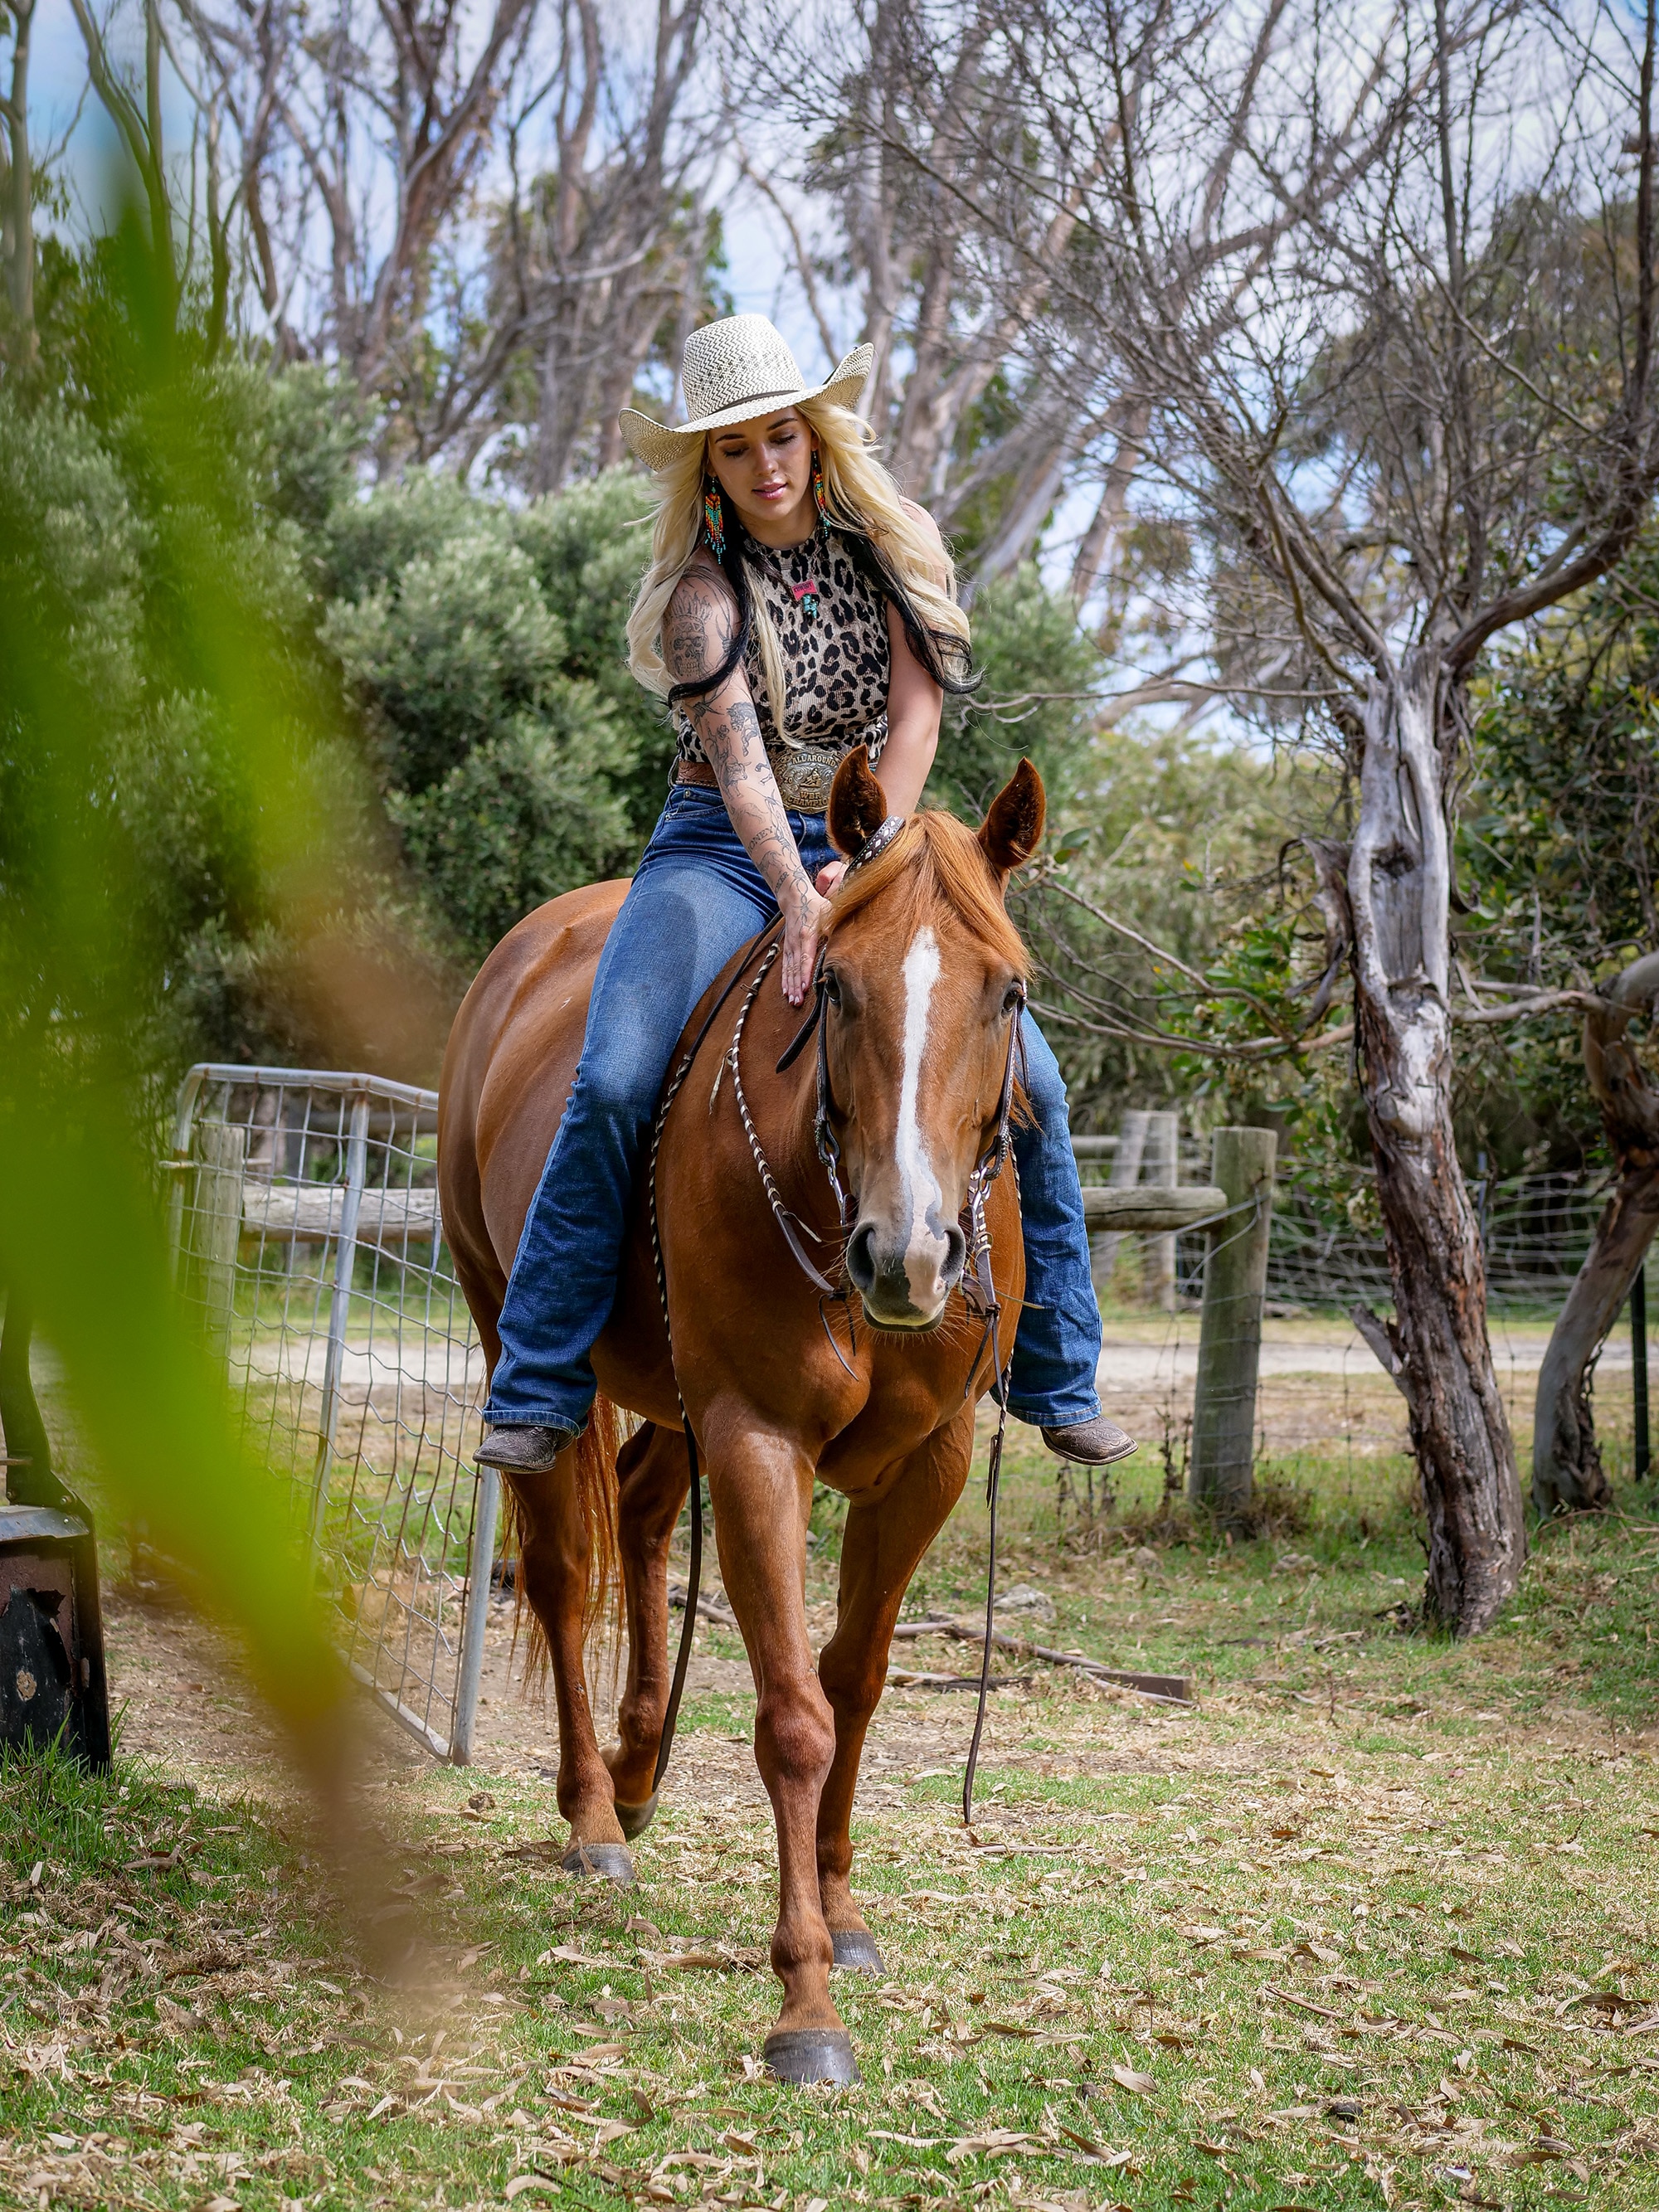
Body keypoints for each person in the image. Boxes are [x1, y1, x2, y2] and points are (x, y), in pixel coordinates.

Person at [475, 314, 1134, 1477]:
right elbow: (740, 771)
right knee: (616, 1074)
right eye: (734, 449)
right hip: (719, 852)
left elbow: (917, 716)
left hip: (871, 835)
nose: (765, 464)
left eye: (779, 435)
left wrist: (869, 858)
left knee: (1035, 1077)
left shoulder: (891, 547)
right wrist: (797, 888)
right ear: (709, 468)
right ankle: (539, 1378)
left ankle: (1056, 1370)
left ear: (814, 434)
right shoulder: (702, 595)